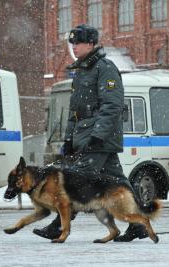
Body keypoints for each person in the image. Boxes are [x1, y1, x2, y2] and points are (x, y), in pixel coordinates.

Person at [32, 24, 148, 242]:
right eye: (73, 43)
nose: (74, 47)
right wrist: (69, 137)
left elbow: (112, 105)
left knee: (75, 180)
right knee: (118, 182)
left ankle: (59, 226)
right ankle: (137, 225)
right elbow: (75, 111)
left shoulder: (105, 68)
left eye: (79, 43)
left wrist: (98, 134)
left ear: (92, 44)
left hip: (98, 138)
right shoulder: (82, 70)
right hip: (87, 135)